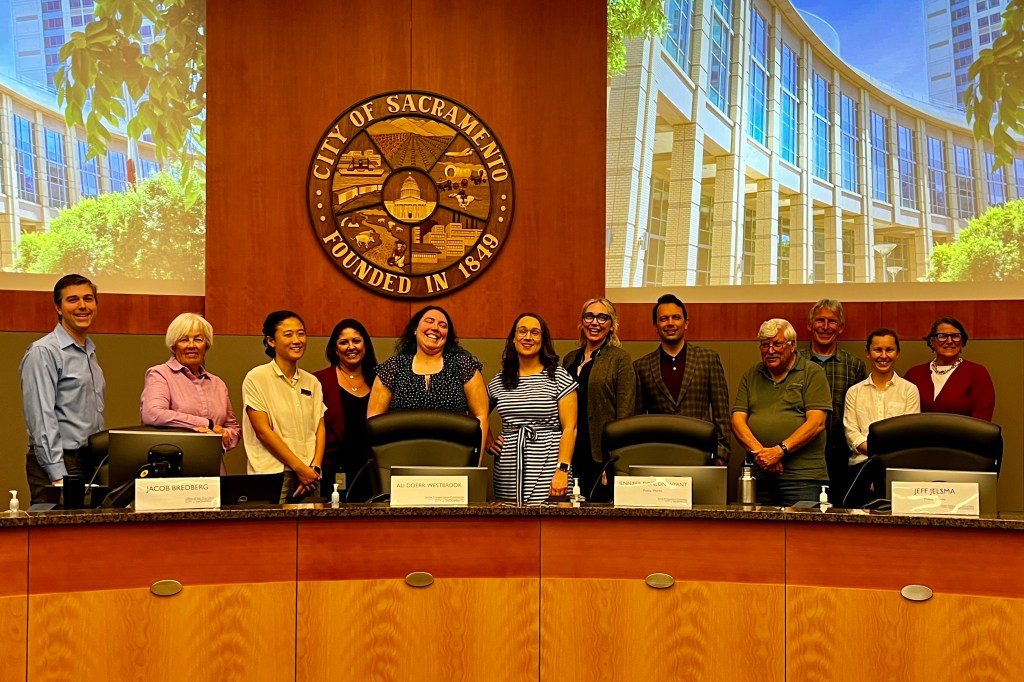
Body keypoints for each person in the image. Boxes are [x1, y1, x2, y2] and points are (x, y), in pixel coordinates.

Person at [20, 274, 106, 504]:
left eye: (88, 299)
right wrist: (57, 475)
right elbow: (41, 417)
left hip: (88, 463)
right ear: (58, 308)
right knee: (56, 528)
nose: (82, 306)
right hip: (59, 465)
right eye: (73, 300)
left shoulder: (89, 351)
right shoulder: (43, 352)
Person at [731, 318, 831, 506]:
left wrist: (780, 451)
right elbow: (737, 421)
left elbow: (817, 423)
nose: (770, 351)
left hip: (803, 477)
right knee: (755, 526)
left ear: (792, 346)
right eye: (765, 345)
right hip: (758, 475)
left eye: (777, 344)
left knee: (802, 526)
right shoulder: (751, 375)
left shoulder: (812, 372)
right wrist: (763, 455)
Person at [368, 305, 489, 454]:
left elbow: (481, 417)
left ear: (447, 335)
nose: (435, 328)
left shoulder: (463, 365)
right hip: (401, 458)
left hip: (454, 459)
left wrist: (476, 463)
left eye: (442, 325)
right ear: (415, 329)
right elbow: (375, 424)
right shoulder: (393, 367)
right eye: (429, 321)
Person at [486, 313, 577, 505]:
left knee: (553, 520)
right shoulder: (500, 380)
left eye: (535, 332)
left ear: (543, 340)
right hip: (509, 468)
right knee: (511, 520)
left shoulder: (559, 377)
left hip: (550, 466)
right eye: (522, 331)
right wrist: (489, 442)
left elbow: (570, 428)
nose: (528, 337)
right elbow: (477, 414)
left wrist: (562, 470)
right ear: (513, 338)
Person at [633, 294, 731, 464]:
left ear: (686, 323)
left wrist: (721, 454)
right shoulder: (641, 366)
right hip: (658, 457)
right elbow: (638, 419)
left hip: (702, 454)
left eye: (676, 317)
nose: (670, 323)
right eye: (663, 319)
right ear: (656, 326)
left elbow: (721, 413)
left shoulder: (708, 359)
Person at [242, 311, 326, 503]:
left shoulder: (312, 382)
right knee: (273, 524)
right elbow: (263, 431)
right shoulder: (256, 378)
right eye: (288, 335)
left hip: (310, 476)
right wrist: (299, 468)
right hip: (272, 474)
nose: (297, 340)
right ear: (271, 341)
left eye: (301, 334)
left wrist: (315, 467)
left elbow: (319, 428)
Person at [140, 313, 240, 472]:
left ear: (206, 345)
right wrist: (207, 424)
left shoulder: (217, 383)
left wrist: (222, 436)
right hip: (173, 472)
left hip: (214, 470)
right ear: (173, 346)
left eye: (198, 339)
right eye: (184, 340)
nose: (191, 345)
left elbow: (232, 427)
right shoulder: (160, 374)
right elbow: (153, 413)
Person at [561, 296, 637, 501]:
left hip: (600, 456)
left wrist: (613, 464)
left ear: (612, 325)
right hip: (570, 451)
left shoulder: (620, 359)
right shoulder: (569, 359)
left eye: (602, 318)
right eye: (589, 316)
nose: (595, 323)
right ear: (582, 321)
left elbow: (625, 415)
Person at [796, 299, 866, 502]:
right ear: (809, 325)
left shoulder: (854, 365)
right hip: (800, 454)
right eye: (820, 320)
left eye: (832, 321)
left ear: (841, 327)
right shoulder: (794, 361)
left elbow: (859, 414)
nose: (825, 327)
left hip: (841, 456)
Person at [842, 328, 920, 507]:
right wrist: (877, 459)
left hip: (899, 470)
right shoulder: (854, 392)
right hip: (860, 469)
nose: (883, 356)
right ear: (868, 353)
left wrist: (883, 459)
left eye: (889, 350)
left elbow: (909, 435)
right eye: (878, 350)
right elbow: (852, 435)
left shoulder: (909, 390)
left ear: (897, 353)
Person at [313, 319, 378, 502]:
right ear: (335, 349)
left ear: (365, 345)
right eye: (344, 342)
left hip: (371, 472)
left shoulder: (379, 380)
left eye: (356, 341)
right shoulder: (319, 381)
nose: (351, 347)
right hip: (331, 473)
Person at [904, 317, 995, 421]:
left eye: (956, 336)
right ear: (932, 341)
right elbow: (904, 416)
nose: (949, 341)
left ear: (962, 342)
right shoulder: (914, 374)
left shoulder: (977, 373)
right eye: (942, 336)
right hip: (919, 432)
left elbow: (982, 421)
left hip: (964, 432)